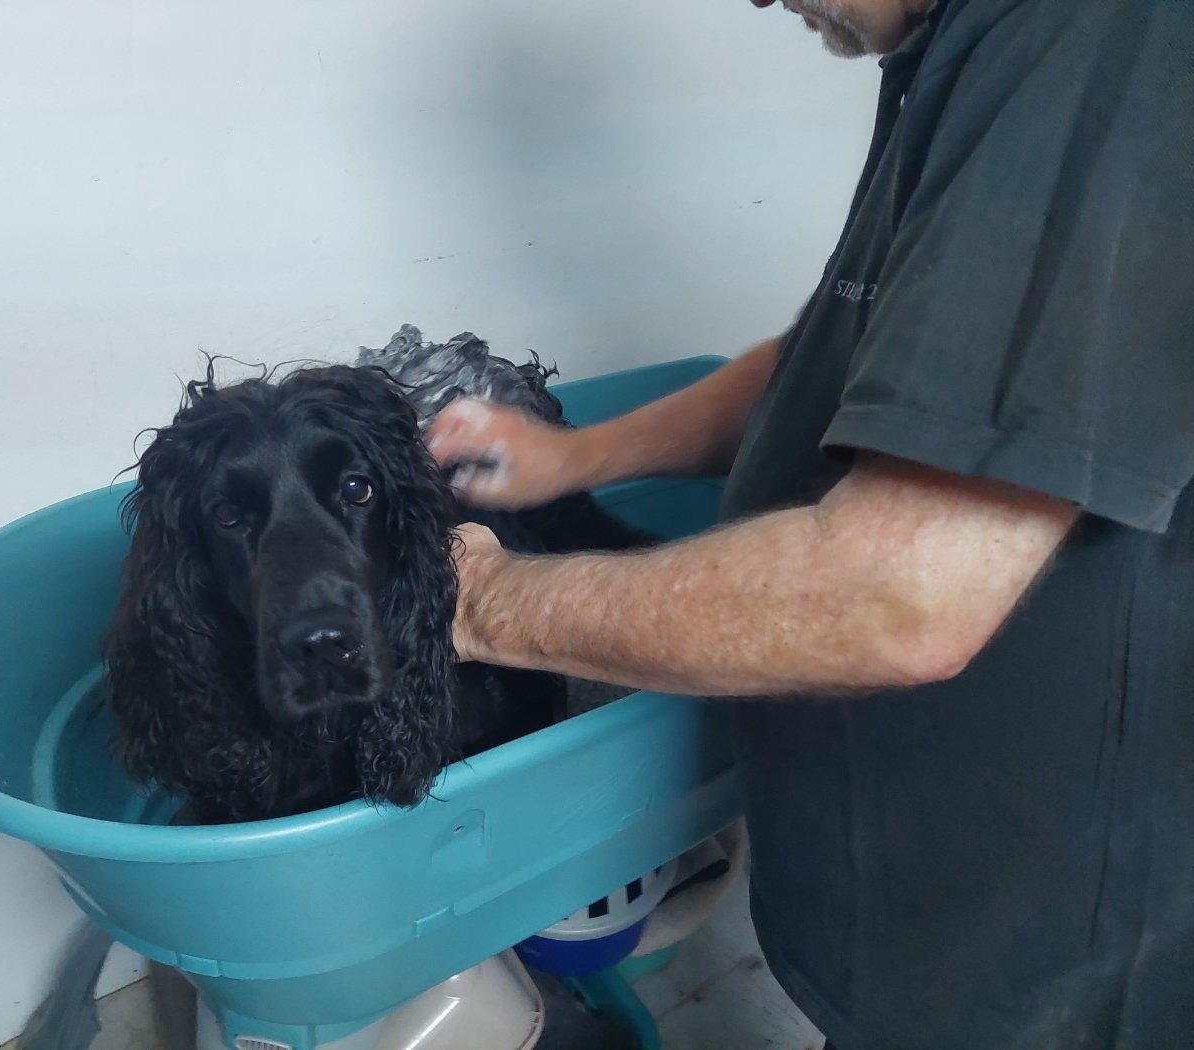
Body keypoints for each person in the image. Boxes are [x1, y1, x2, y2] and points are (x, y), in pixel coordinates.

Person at [423, 0, 1194, 1046]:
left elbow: (897, 597)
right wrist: (575, 457)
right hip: (905, 893)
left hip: (1047, 950)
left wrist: (487, 604)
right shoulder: (946, 52)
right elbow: (850, 361)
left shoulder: (1096, 39)